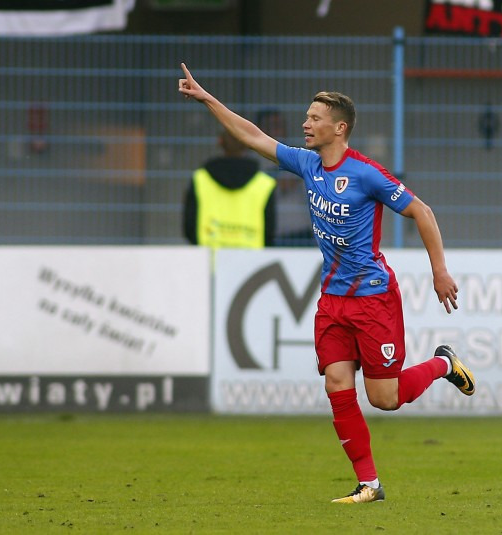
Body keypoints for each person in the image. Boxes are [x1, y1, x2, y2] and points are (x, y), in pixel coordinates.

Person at [178, 63, 475, 504]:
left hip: (373, 299)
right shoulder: (307, 163)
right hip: (333, 300)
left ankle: (443, 364)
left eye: (314, 118)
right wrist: (208, 99)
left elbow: (422, 212)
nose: (305, 124)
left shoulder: (366, 173)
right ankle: (369, 483)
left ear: (339, 128)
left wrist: (440, 271)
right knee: (337, 383)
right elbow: (252, 135)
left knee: (385, 398)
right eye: (307, 116)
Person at [183, 129, 276, 249]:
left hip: (210, 257)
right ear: (247, 145)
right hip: (250, 258)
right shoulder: (264, 183)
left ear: (220, 141)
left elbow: (189, 225)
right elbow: (269, 231)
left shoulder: (200, 179)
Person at [255, 108, 315, 246]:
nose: (277, 130)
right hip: (272, 233)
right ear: (261, 129)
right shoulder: (254, 160)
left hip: (302, 231)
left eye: (280, 126)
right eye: (272, 126)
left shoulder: (296, 155)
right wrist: (277, 183)